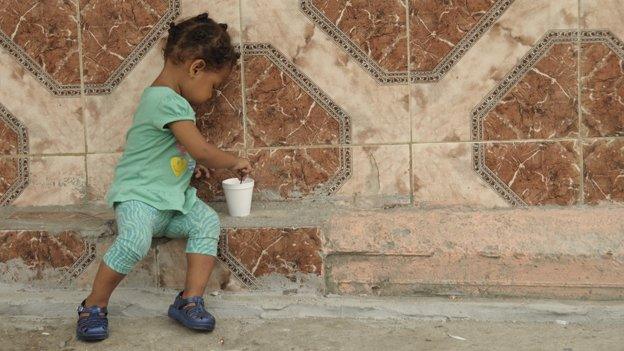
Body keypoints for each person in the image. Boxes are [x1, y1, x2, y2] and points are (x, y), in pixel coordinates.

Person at [75, 12, 251, 341]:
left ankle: (189, 300)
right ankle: (93, 305)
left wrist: (186, 166)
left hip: (170, 203)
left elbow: (175, 149)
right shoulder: (167, 101)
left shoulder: (166, 101)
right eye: (214, 86)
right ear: (196, 68)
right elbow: (201, 149)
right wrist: (233, 161)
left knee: (206, 223)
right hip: (139, 199)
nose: (212, 95)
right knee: (134, 241)